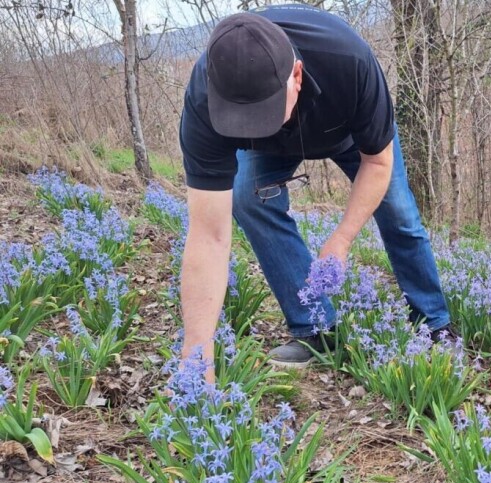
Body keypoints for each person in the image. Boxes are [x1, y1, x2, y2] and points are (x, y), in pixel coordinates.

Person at [178, 4, 453, 373]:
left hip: (348, 136)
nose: (256, 125)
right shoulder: (203, 99)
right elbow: (208, 236)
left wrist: (341, 238)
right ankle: (316, 328)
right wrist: (195, 359)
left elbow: (378, 162)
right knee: (247, 199)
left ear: (296, 75)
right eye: (242, 118)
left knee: (399, 213)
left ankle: (434, 322)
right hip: (269, 153)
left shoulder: (349, 61)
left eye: (264, 112)